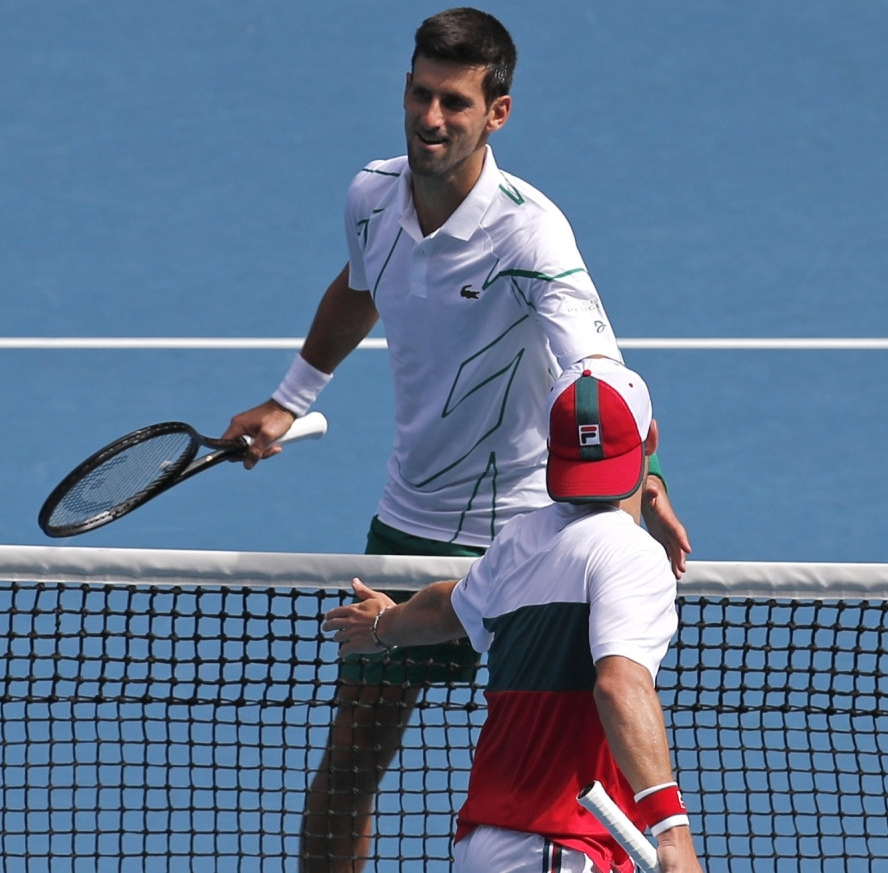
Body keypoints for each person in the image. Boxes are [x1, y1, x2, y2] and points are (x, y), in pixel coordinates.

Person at [222, 8, 691, 871]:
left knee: (558, 766)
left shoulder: (530, 232)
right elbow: (360, 285)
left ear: (497, 113)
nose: (431, 118)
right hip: (413, 519)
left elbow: (600, 372)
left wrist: (647, 481)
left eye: (455, 102)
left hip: (533, 531)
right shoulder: (371, 195)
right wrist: (289, 399)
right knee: (351, 759)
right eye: (420, 94)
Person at [324, 357, 703, 873]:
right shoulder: (633, 555)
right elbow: (619, 686)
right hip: (559, 846)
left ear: (550, 448)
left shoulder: (518, 541)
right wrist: (672, 832)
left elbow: (444, 608)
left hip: (484, 843)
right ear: (650, 439)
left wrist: (381, 626)